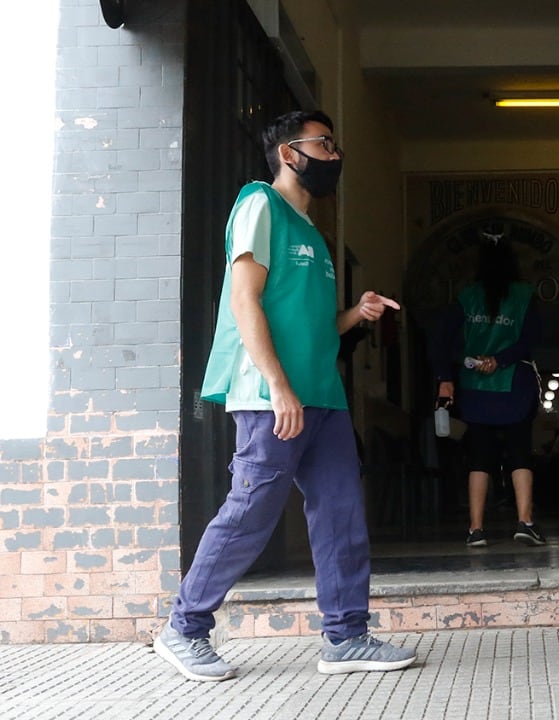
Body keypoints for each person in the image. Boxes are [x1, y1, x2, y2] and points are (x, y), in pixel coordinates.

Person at [154, 110, 416, 682]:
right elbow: (245, 301)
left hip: (323, 396)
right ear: (289, 153)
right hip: (270, 397)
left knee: (342, 514)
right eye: (324, 144)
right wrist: (277, 387)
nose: (334, 154)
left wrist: (356, 314)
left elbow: (314, 328)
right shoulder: (259, 206)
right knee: (251, 512)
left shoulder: (313, 234)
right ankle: (184, 626)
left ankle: (346, 637)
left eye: (334, 144)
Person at [433, 235, 545, 548]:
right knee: (520, 452)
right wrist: (502, 360)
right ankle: (524, 522)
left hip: (475, 387)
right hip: (515, 386)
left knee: (479, 457)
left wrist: (445, 377)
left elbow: (440, 338)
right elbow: (532, 338)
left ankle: (476, 530)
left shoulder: (467, 296)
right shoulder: (525, 295)